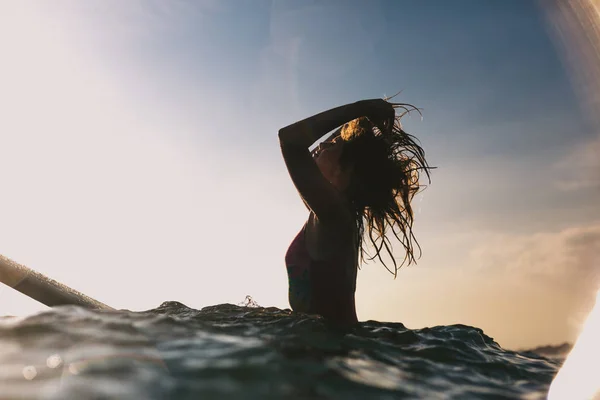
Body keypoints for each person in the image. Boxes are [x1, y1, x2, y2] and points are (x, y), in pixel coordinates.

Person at [278, 98, 432, 326]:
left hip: (329, 347)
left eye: (328, 146)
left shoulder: (335, 216)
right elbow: (323, 143)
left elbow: (290, 141)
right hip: (329, 345)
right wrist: (361, 120)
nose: (318, 147)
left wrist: (364, 108)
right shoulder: (329, 213)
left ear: (344, 172)